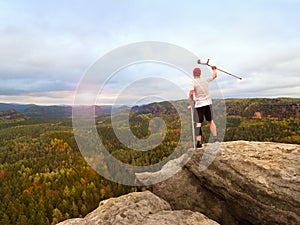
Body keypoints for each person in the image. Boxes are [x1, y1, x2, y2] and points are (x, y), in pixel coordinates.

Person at [189, 66, 218, 148]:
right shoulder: (205, 80)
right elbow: (214, 75)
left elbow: (191, 93)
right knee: (210, 121)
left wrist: (191, 102)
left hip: (199, 105)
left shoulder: (193, 82)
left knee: (198, 124)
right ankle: (215, 139)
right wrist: (214, 69)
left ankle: (198, 142)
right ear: (200, 74)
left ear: (193, 74)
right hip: (208, 103)